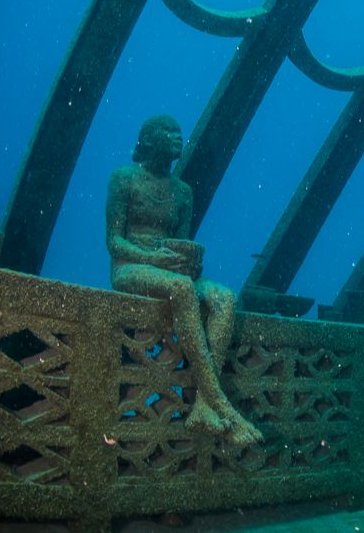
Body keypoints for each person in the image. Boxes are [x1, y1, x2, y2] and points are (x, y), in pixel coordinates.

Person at [106, 115, 262, 446]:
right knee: (181, 287)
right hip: (130, 267)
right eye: (169, 131)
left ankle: (204, 405)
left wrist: (189, 260)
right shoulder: (124, 178)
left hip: (170, 270)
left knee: (224, 298)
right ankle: (221, 403)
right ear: (150, 139)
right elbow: (114, 242)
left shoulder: (183, 192)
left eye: (179, 132)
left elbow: (180, 242)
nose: (178, 137)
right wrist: (152, 258)